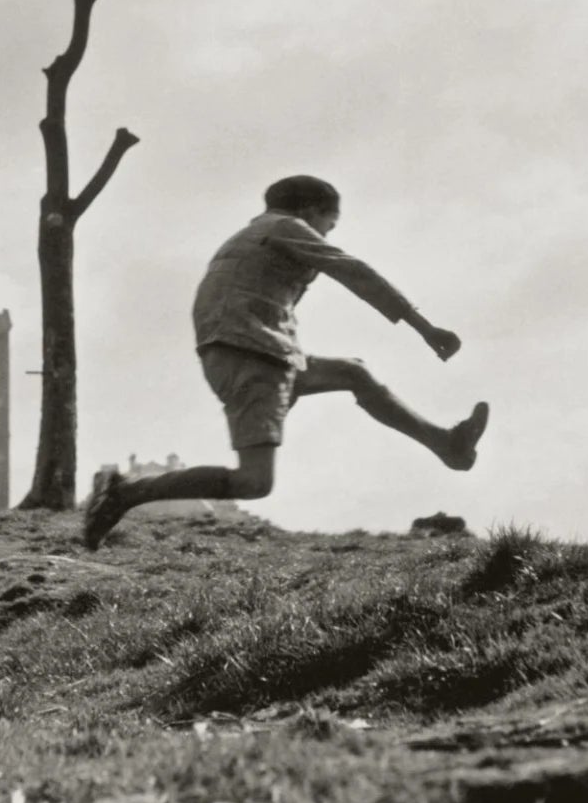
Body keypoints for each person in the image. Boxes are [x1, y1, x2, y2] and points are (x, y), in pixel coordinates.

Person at [82, 174, 489, 549]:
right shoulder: (285, 227)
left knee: (353, 372)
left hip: (256, 351)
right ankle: (125, 492)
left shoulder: (251, 235)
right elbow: (353, 271)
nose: (327, 234)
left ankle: (447, 444)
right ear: (310, 210)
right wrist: (425, 327)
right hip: (252, 355)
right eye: (330, 224)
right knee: (254, 481)